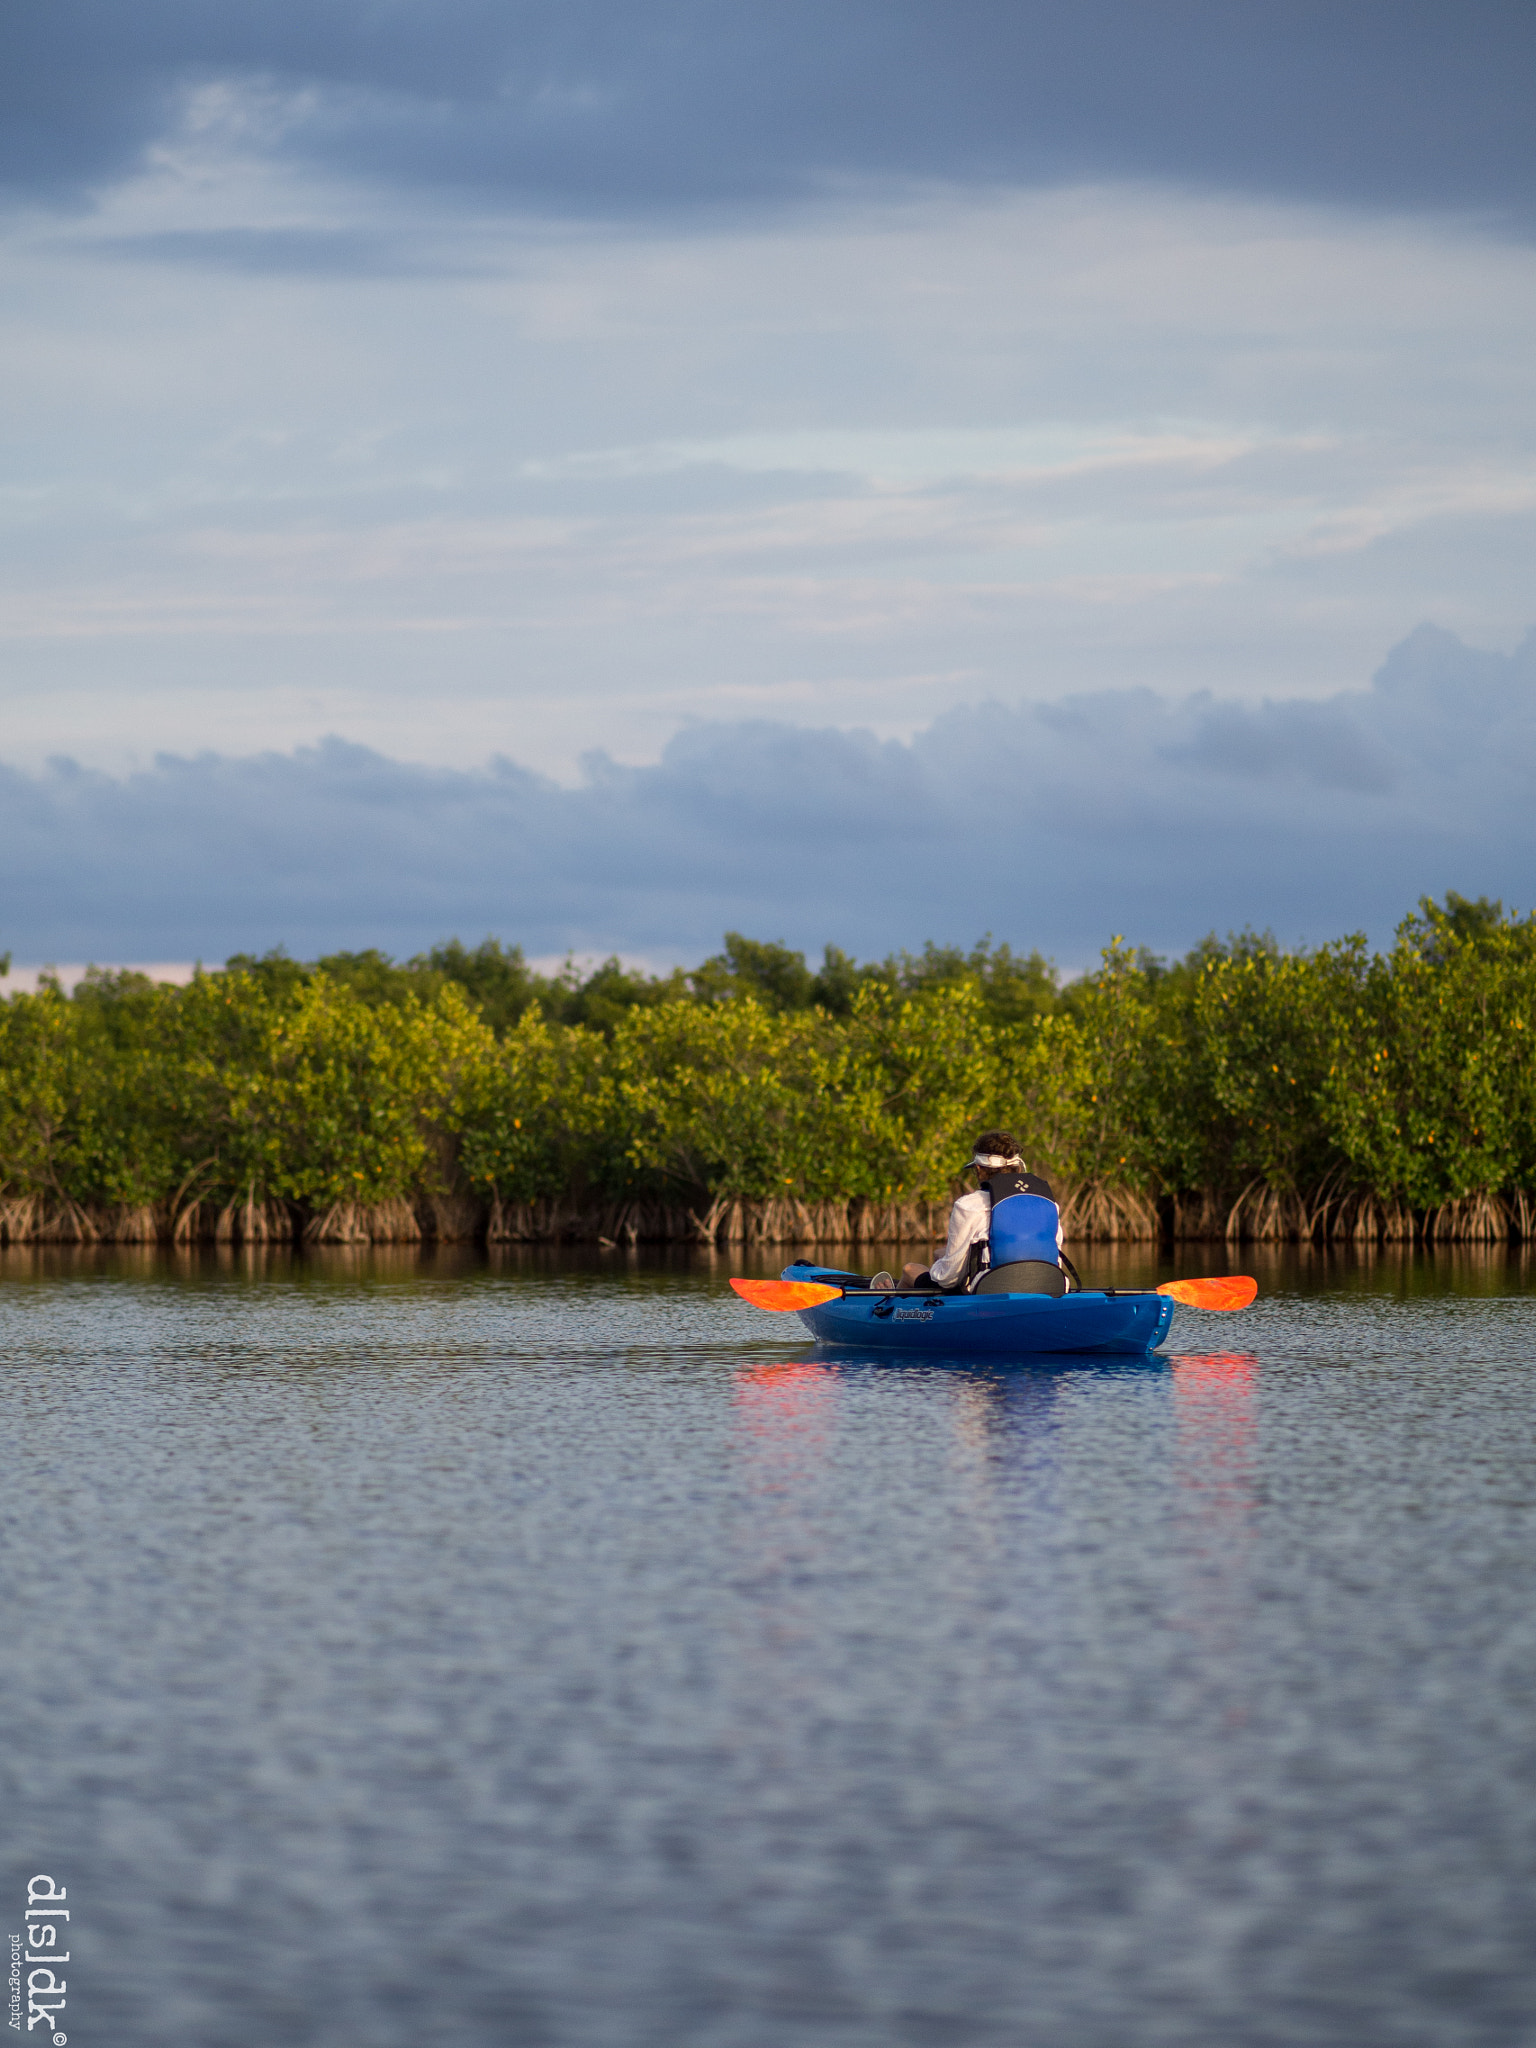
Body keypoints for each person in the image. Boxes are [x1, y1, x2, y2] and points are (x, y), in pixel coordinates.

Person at [888, 1129, 1069, 1293]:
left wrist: (935, 1271)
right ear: (1017, 1167)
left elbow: (948, 1278)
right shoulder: (1049, 1203)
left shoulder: (968, 1205)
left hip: (992, 1289)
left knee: (910, 1269)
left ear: (979, 1169)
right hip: (1050, 1284)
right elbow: (1056, 1257)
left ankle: (896, 1310)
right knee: (939, 1254)